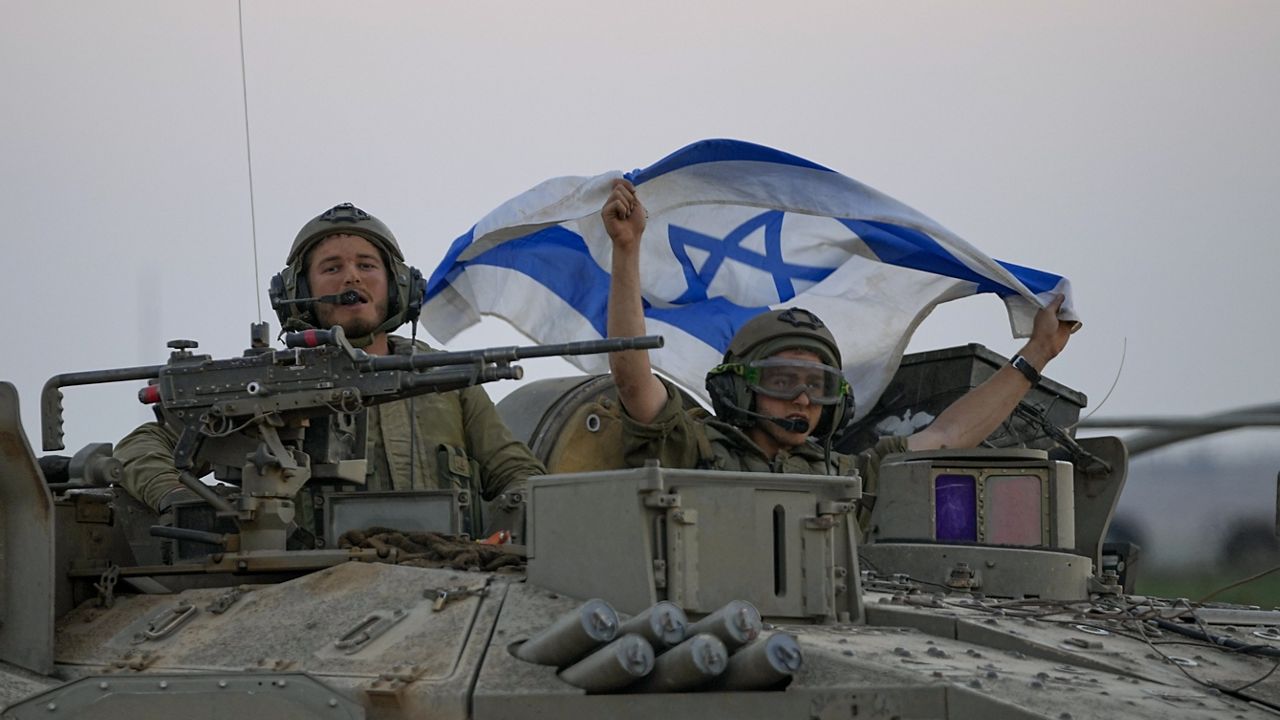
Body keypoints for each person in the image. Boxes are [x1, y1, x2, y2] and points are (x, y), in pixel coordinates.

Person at [601, 179, 1074, 510]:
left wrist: (1036, 355)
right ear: (739, 389)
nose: (804, 399)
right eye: (782, 381)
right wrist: (627, 249)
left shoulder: (844, 476)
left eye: (818, 385)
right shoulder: (692, 448)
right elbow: (631, 375)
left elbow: (947, 437)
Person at [115, 203, 545, 536]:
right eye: (332, 268)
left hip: (452, 584)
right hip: (311, 590)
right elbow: (144, 445)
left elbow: (518, 474)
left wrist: (508, 531)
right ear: (299, 292)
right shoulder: (267, 382)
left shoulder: (447, 381)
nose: (351, 279)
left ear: (397, 287)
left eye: (366, 265)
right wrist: (176, 496)